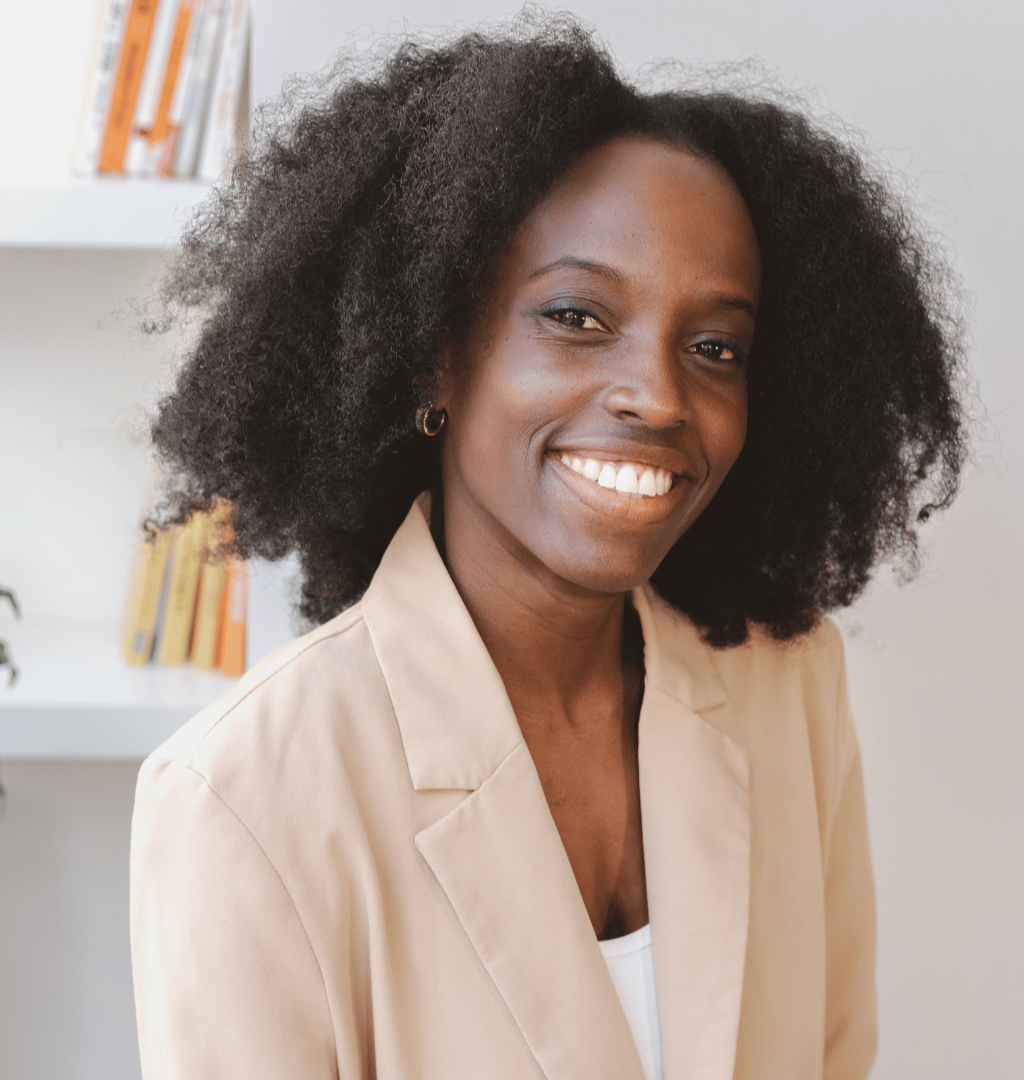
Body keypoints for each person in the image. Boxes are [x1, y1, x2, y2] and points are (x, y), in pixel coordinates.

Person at [129, 14, 970, 1080]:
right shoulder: (244, 794)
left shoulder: (789, 684)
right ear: (434, 355)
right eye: (576, 317)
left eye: (716, 346)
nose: (659, 396)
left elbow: (837, 1057)